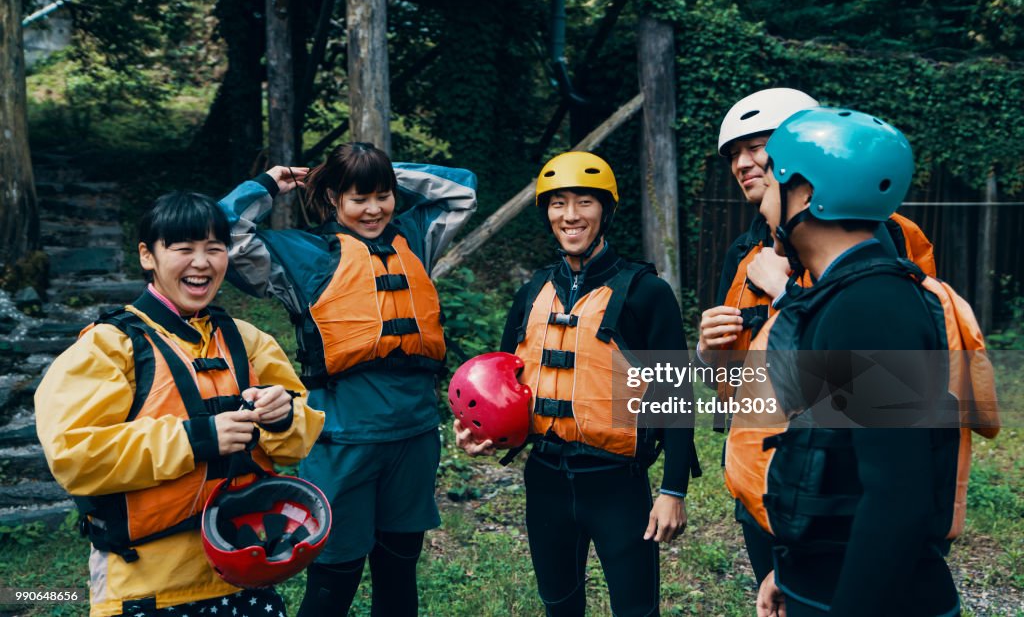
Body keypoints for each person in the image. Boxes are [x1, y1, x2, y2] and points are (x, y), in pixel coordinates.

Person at [743, 108, 996, 616]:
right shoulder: (848, 296)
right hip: (823, 583)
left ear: (807, 194)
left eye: (772, 181)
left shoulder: (872, 307)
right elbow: (842, 466)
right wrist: (792, 573)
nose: (764, 203)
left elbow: (895, 500)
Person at [217, 142, 477, 617]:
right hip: (341, 439)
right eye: (358, 198)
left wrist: (377, 170)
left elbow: (461, 189)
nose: (374, 209)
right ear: (333, 198)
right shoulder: (303, 255)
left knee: (399, 573)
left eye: (383, 195)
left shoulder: (415, 237)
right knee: (333, 579)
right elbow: (222, 230)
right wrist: (268, 186)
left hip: (414, 435)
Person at [35, 192, 325, 617]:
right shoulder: (108, 347)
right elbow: (74, 456)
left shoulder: (246, 339)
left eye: (214, 248)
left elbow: (296, 443)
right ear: (147, 256)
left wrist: (283, 417)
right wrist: (197, 438)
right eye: (183, 249)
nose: (202, 262)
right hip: (147, 589)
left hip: (246, 573)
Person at [701, 88, 938, 583]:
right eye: (733, 155)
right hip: (766, 476)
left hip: (837, 483)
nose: (743, 163)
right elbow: (739, 382)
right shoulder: (745, 251)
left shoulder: (878, 236)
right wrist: (709, 353)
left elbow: (892, 368)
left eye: (757, 146)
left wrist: (785, 292)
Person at [455, 151, 701, 617]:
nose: (570, 215)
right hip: (545, 478)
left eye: (584, 202)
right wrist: (482, 434)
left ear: (606, 210)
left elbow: (676, 394)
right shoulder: (532, 292)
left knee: (636, 610)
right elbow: (505, 380)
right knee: (559, 607)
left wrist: (673, 491)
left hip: (617, 484)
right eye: (558, 203)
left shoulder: (647, 293)